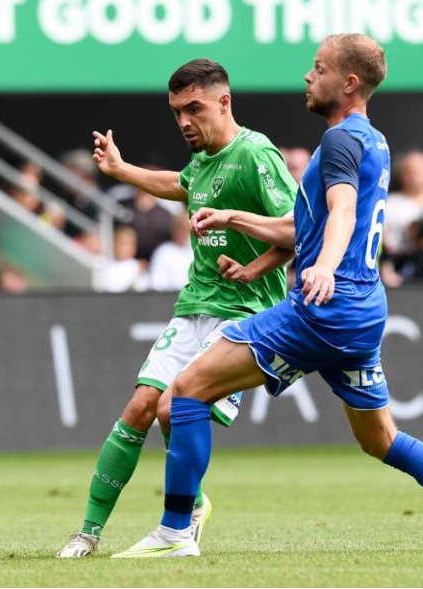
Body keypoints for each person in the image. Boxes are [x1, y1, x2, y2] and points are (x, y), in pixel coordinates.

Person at [113, 33, 423, 559]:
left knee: (185, 393)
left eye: (319, 68)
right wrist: (233, 219)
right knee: (382, 440)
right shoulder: (371, 140)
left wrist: (325, 267)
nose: (308, 77)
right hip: (364, 310)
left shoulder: (336, 142)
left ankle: (175, 534)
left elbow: (341, 213)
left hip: (324, 308)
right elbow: (300, 225)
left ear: (348, 82)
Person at [57, 59, 298, 559]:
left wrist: (253, 270)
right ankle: (89, 532)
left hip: (247, 314)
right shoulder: (205, 157)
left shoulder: (255, 154)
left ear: (224, 101)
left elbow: (299, 229)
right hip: (195, 304)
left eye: (194, 108)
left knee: (173, 405)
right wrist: (121, 170)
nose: (184, 121)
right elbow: (181, 185)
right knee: (142, 406)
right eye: (176, 112)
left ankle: (178, 529)